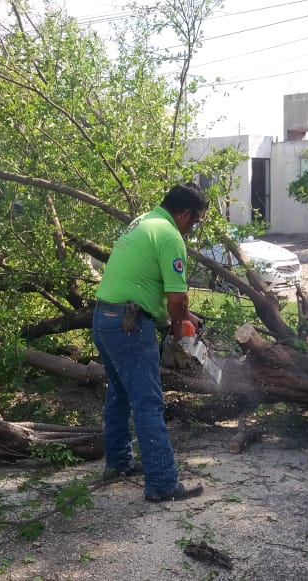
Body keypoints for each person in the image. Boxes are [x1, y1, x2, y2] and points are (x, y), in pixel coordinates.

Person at [92, 182, 208, 502]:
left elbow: (152, 287)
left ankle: (118, 463)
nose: (192, 229)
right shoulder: (170, 235)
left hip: (105, 318)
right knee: (148, 401)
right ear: (184, 214)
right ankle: (161, 482)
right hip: (130, 324)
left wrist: (184, 316)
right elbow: (177, 298)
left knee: (119, 394)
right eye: (194, 222)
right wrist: (179, 322)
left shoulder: (143, 221)